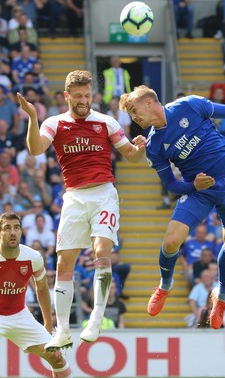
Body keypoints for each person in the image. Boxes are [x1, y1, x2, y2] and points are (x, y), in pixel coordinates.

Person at [119, 85, 225, 330]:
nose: (134, 118)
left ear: (149, 102)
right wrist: (194, 186)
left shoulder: (188, 105)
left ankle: (221, 296)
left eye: (135, 111)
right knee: (171, 240)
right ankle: (164, 285)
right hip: (198, 189)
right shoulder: (154, 145)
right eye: (131, 115)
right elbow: (170, 185)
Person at [17, 70, 146, 350]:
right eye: (78, 97)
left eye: (87, 96)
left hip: (103, 195)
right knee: (64, 263)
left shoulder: (106, 122)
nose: (84, 101)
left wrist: (141, 146)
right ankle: (62, 330)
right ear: (67, 97)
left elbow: (133, 156)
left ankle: (96, 318)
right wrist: (32, 118)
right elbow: (36, 148)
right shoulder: (55, 123)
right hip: (73, 197)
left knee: (101, 252)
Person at [0, 212, 76, 378]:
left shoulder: (32, 257)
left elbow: (42, 289)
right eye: (7, 228)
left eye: (16, 228)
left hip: (20, 315)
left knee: (56, 356)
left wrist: (48, 324)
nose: (13, 232)